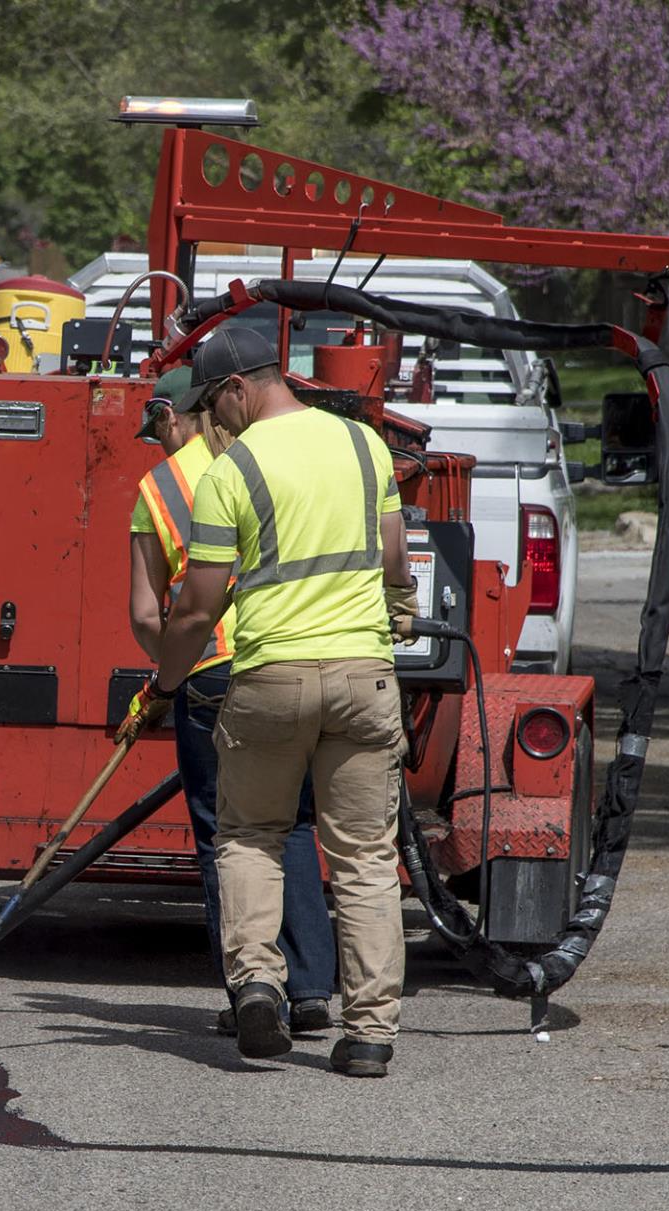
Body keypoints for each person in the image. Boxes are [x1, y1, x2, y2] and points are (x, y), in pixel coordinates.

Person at [134, 319, 415, 1078]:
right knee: (361, 856)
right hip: (365, 677)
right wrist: (398, 602)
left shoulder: (231, 473)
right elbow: (393, 554)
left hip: (270, 681)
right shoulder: (366, 446)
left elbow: (195, 609)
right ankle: (369, 1034)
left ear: (238, 388)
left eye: (211, 405)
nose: (208, 421)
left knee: (251, 835)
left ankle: (258, 981)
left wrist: (165, 684)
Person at [125, 364, 337, 1038]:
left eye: (156, 429)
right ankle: (309, 990)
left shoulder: (158, 487)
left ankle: (253, 990)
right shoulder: (266, 456)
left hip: (210, 672)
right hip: (287, 655)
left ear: (173, 415)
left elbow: (144, 614)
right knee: (295, 822)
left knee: (228, 831)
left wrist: (164, 682)